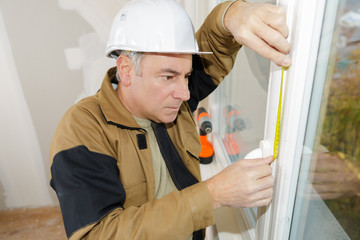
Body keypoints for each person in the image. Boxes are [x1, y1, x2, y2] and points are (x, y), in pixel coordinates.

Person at [49, 0, 291, 239]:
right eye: (168, 76)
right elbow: (97, 234)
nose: (185, 93)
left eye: (186, 76)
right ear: (126, 70)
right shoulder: (83, 128)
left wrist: (232, 14)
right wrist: (214, 194)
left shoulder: (170, 103)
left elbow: (214, 45)